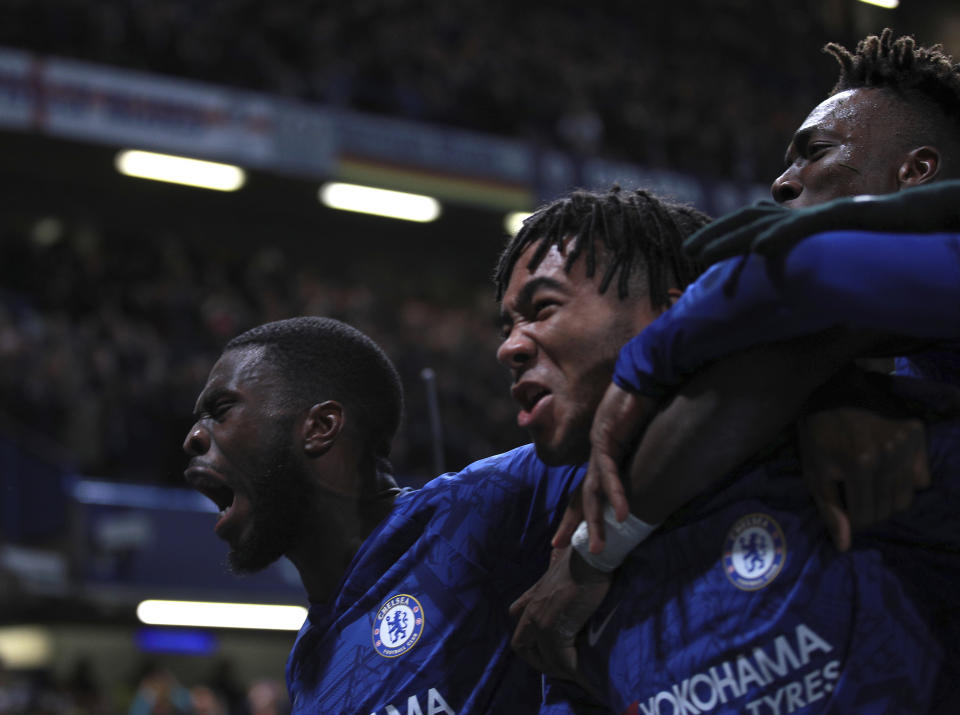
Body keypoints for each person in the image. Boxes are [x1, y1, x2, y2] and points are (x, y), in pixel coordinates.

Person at [508, 28, 960, 713]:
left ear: (915, 172)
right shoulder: (852, 373)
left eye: (815, 153)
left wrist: (595, 548)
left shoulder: (906, 441)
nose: (782, 181)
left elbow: (804, 276)